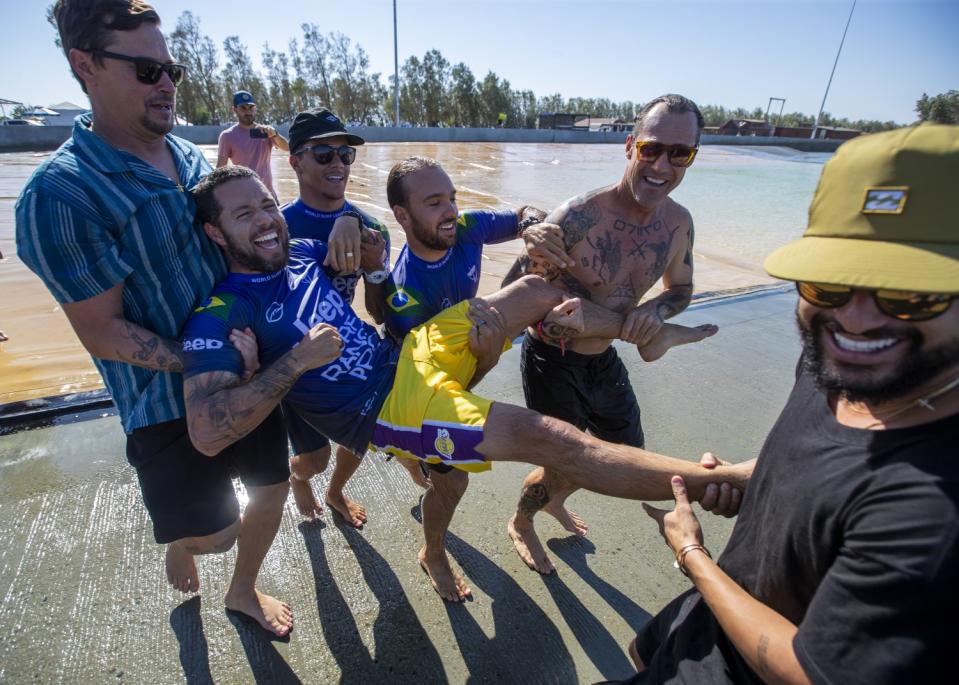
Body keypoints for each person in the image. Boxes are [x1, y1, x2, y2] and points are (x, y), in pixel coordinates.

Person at [180, 165, 752, 602]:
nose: (264, 219)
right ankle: (721, 480)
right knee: (554, 438)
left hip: (412, 351)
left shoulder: (304, 252)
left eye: (266, 204)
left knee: (537, 290)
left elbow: (371, 241)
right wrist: (293, 363)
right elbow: (207, 432)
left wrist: (360, 224)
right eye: (242, 214)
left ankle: (646, 330)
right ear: (214, 231)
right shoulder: (222, 311)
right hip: (387, 407)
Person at [633, 123, 959, 684]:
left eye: (911, 296)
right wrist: (753, 483)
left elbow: (809, 672)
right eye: (828, 285)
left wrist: (692, 556)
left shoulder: (937, 513)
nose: (855, 320)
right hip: (703, 630)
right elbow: (833, 465)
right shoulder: (839, 364)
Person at [15, 1, 293, 637]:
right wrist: (216, 359)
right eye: (146, 70)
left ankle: (244, 591)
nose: (166, 83)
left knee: (270, 489)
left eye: (172, 68)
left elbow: (252, 243)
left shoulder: (191, 158)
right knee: (216, 533)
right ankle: (186, 540)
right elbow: (103, 332)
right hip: (164, 404)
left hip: (251, 370)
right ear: (84, 66)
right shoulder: (61, 197)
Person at [381, 156, 723, 589]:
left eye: (451, 198)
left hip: (526, 342)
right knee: (454, 480)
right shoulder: (403, 293)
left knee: (619, 444)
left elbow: (523, 229)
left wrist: (532, 226)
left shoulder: (466, 226)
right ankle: (436, 549)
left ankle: (645, 339)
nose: (450, 210)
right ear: (402, 216)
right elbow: (447, 366)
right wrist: (491, 352)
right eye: (435, 203)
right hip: (436, 375)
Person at [504, 94, 718, 574]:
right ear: (629, 146)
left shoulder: (678, 223)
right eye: (651, 149)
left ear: (692, 157)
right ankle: (522, 521)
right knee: (565, 460)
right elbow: (510, 293)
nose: (663, 164)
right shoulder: (579, 216)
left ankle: (555, 497)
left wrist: (657, 312)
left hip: (604, 359)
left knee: (626, 454)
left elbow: (681, 288)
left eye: (680, 153)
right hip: (552, 360)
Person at [278, 107, 393, 526]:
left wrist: (375, 266)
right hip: (297, 365)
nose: (338, 165)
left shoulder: (373, 226)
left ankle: (336, 492)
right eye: (324, 154)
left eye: (346, 156)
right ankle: (298, 477)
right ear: (295, 162)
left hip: (348, 357)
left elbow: (378, 312)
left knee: (370, 434)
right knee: (315, 458)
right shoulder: (276, 227)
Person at [216, 90, 289, 197]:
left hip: (268, 195)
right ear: (234, 110)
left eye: (251, 108)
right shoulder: (227, 136)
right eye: (243, 108)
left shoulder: (266, 131)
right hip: (244, 196)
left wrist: (275, 134)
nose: (248, 112)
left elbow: (287, 148)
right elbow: (220, 169)